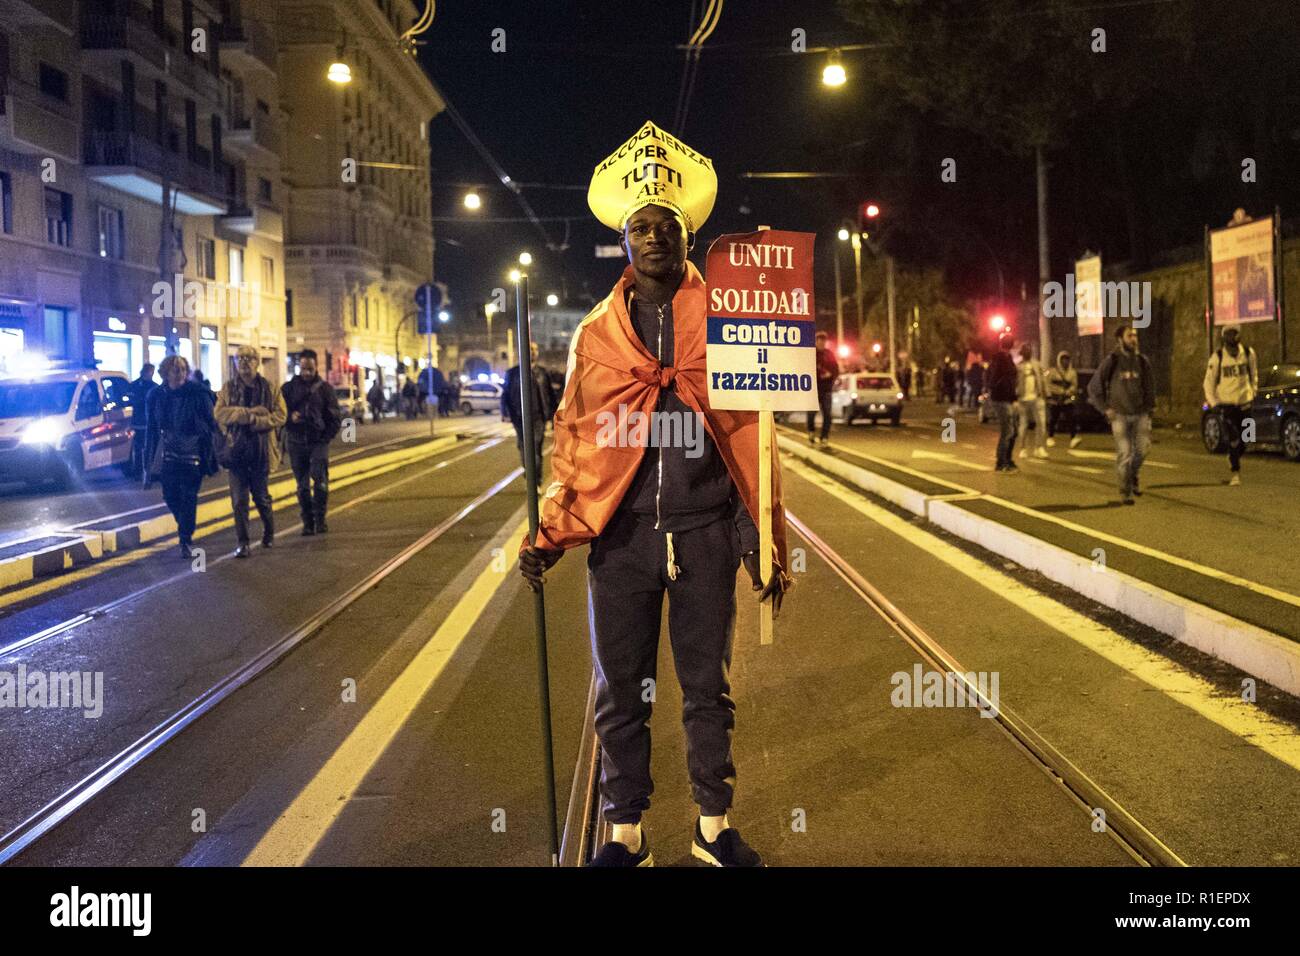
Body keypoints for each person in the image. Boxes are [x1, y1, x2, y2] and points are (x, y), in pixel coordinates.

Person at [519, 121, 789, 868]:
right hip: (624, 540)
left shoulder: (732, 322)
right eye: (640, 227)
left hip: (703, 531)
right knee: (620, 693)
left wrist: (756, 538)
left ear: (686, 235)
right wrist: (548, 531)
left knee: (709, 689)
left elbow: (750, 436)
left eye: (665, 225)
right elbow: (575, 439)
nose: (653, 238)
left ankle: (712, 826)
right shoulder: (597, 336)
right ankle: (624, 831)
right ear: (625, 240)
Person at [215, 345, 286, 556]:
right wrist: (245, 413)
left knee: (261, 497)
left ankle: (269, 532)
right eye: (240, 358)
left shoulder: (270, 388)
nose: (244, 362)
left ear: (257, 362)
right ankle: (243, 543)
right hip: (236, 451)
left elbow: (280, 416)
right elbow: (219, 413)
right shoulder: (228, 388)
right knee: (239, 501)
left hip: (260, 451)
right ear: (236, 363)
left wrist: (256, 420)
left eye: (249, 358)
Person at [143, 355, 217, 558]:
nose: (180, 374)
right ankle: (184, 526)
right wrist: (147, 465)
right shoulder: (156, 395)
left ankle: (185, 538)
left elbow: (212, 421)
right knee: (170, 496)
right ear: (166, 373)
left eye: (184, 370)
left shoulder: (198, 393)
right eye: (176, 370)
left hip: (193, 454)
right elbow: (151, 429)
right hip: (169, 455)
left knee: (188, 496)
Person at [1088, 324, 1155, 505]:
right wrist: (1105, 408)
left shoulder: (1142, 361)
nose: (1133, 339)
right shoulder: (1112, 361)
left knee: (1142, 450)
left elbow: (1149, 388)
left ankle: (1132, 476)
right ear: (1120, 339)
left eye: (1135, 335)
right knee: (1125, 453)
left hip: (1140, 414)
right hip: (1119, 415)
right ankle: (1126, 492)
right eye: (1129, 335)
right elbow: (1094, 388)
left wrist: (1150, 410)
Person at [282, 349, 341, 536]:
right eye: (303, 368)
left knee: (320, 479)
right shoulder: (289, 388)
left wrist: (325, 438)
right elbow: (280, 413)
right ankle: (307, 522)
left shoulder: (325, 389)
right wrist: (290, 417)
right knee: (302, 485)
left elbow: (335, 418)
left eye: (310, 368)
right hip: (296, 441)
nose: (306, 372)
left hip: (318, 441)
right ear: (299, 366)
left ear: (316, 367)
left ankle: (320, 519)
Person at [1203, 324, 1257, 486]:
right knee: (1233, 438)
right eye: (1228, 334)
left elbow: (1254, 374)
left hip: (1245, 402)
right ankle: (1235, 472)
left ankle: (1233, 455)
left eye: (1234, 334)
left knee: (1247, 439)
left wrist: (1253, 391)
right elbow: (1209, 382)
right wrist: (1213, 402)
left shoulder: (1248, 353)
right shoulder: (1217, 357)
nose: (1231, 337)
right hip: (1227, 404)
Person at [502, 342, 551, 484]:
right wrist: (505, 413)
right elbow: (505, 395)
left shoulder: (542, 373)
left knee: (535, 448)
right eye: (530, 349)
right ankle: (531, 478)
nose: (534, 352)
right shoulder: (512, 373)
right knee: (524, 448)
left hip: (538, 418)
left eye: (536, 349)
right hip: (519, 418)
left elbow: (549, 395)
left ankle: (536, 479)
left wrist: (552, 416)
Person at [987, 334, 1019, 471]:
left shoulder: (1008, 358)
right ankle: (1001, 462)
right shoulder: (999, 359)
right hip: (1001, 399)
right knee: (1007, 430)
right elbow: (994, 379)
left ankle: (1008, 459)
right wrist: (998, 389)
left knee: (1014, 430)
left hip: (1008, 398)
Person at [1016, 344, 1049, 460]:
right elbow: (1015, 382)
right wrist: (1015, 397)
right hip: (1023, 399)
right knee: (1023, 424)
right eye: (1025, 351)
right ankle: (1022, 448)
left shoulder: (1037, 364)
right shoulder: (1018, 366)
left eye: (1029, 350)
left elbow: (1043, 379)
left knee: (1041, 423)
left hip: (1037, 397)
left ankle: (1039, 447)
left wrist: (1046, 393)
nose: (1027, 352)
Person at [127, 363, 158, 478]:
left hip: (140, 422)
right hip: (145, 422)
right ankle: (144, 472)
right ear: (149, 372)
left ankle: (140, 472)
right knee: (146, 448)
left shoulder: (134, 385)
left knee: (140, 448)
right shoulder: (154, 387)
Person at [1046, 351, 1081, 449]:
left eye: (1067, 359)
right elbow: (1048, 384)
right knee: (1054, 418)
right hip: (1055, 399)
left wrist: (1067, 393)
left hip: (1067, 399)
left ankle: (1073, 437)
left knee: (1071, 418)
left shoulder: (1072, 373)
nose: (1065, 361)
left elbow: (1074, 385)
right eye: (1063, 359)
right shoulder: (1052, 371)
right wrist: (1053, 394)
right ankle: (1050, 437)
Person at [807, 330, 837, 444]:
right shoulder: (811, 353)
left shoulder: (829, 354)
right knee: (811, 413)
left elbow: (835, 369)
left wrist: (830, 376)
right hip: (814, 389)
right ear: (816, 341)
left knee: (828, 414)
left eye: (824, 341)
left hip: (826, 388)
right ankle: (811, 432)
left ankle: (824, 436)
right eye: (820, 341)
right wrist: (819, 374)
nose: (822, 343)